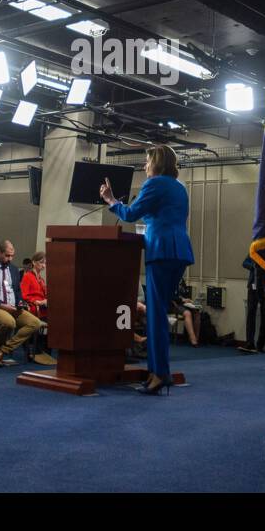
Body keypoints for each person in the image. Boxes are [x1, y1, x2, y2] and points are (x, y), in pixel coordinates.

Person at [100, 144, 194, 395]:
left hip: (161, 252)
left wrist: (111, 200)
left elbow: (130, 215)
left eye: (147, 161)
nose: (144, 166)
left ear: (156, 163)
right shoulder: (179, 188)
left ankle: (159, 374)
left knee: (155, 315)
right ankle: (161, 371)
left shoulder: (154, 184)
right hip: (179, 251)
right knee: (159, 312)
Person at [0, 240, 41, 367]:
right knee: (9, 322)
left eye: (12, 256)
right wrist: (2, 305)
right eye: (7, 255)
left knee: (35, 323)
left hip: (13, 306)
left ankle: (2, 350)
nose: (10, 259)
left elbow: (17, 290)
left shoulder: (14, 269)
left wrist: (20, 302)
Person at [239, 254, 265, 354]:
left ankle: (260, 345)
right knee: (250, 313)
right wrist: (254, 266)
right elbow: (245, 263)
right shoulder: (254, 250)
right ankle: (250, 343)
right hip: (253, 285)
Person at [21, 251, 48, 319]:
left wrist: (45, 301)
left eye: (45, 263)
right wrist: (36, 301)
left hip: (43, 307)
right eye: (41, 262)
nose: (44, 265)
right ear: (34, 262)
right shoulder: (27, 276)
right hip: (34, 308)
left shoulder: (41, 280)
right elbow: (23, 295)